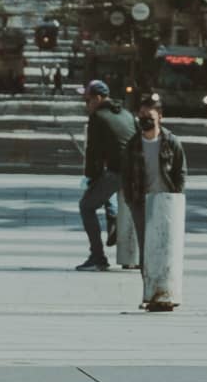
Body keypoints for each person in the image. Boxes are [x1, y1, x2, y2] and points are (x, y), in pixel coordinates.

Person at [123, 92, 187, 310]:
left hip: (166, 203)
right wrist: (130, 200)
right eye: (141, 115)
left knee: (167, 248)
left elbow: (181, 171)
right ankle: (150, 293)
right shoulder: (133, 144)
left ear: (160, 116)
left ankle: (167, 291)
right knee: (146, 250)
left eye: (149, 116)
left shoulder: (171, 142)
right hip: (141, 202)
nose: (144, 120)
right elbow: (126, 174)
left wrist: (176, 197)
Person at [76, 79, 136, 271]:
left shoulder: (98, 117)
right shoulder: (126, 113)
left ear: (98, 98)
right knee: (105, 184)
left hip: (118, 172)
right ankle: (113, 220)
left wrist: (90, 179)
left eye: (88, 100)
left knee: (86, 206)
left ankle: (98, 257)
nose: (86, 105)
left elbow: (93, 153)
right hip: (136, 173)